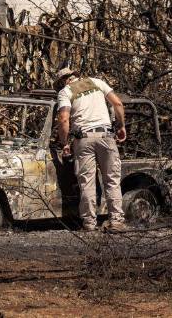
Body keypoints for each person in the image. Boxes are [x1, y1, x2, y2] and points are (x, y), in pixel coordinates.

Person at [54, 67, 127, 232]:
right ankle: (116, 221)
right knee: (112, 180)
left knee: (87, 183)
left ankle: (89, 224)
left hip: (84, 139)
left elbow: (64, 118)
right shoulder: (97, 82)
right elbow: (118, 103)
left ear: (62, 81)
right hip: (106, 136)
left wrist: (65, 143)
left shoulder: (65, 92)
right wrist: (121, 126)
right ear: (76, 76)